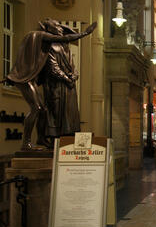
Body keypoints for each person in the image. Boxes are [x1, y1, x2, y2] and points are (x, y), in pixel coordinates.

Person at [6, 19, 97, 150]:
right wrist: (85, 33)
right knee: (37, 108)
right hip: (24, 79)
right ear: (48, 29)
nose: (60, 29)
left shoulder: (42, 41)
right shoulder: (40, 35)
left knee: (43, 110)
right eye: (56, 26)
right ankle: (26, 143)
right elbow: (66, 38)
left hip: (30, 78)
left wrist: (72, 75)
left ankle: (41, 138)